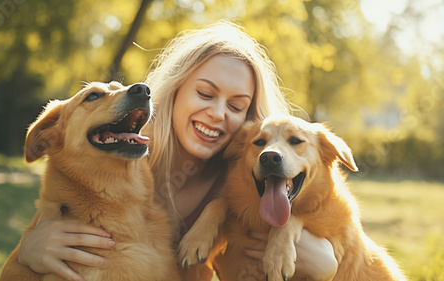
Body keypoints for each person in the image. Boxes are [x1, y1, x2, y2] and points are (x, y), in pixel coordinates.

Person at [17, 21, 338, 281]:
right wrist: (29, 247)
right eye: (204, 93)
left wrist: (327, 264)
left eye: (237, 106)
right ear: (176, 89)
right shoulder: (127, 148)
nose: (217, 113)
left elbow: (319, 205)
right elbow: (63, 197)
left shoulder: (243, 175)